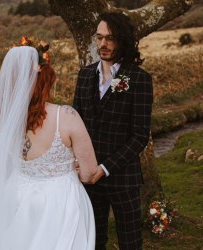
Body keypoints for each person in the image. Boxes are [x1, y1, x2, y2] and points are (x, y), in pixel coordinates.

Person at [0, 44, 104, 250]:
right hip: (60, 202)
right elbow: (88, 174)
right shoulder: (66, 116)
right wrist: (72, 167)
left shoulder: (9, 120)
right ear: (46, 81)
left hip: (15, 196)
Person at [73, 12, 154, 250]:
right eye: (99, 38)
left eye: (110, 38)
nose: (103, 44)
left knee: (130, 242)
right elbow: (75, 123)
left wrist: (106, 168)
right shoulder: (85, 75)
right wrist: (79, 162)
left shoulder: (139, 79)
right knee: (93, 242)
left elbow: (140, 135)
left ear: (123, 40)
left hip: (123, 178)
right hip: (88, 178)